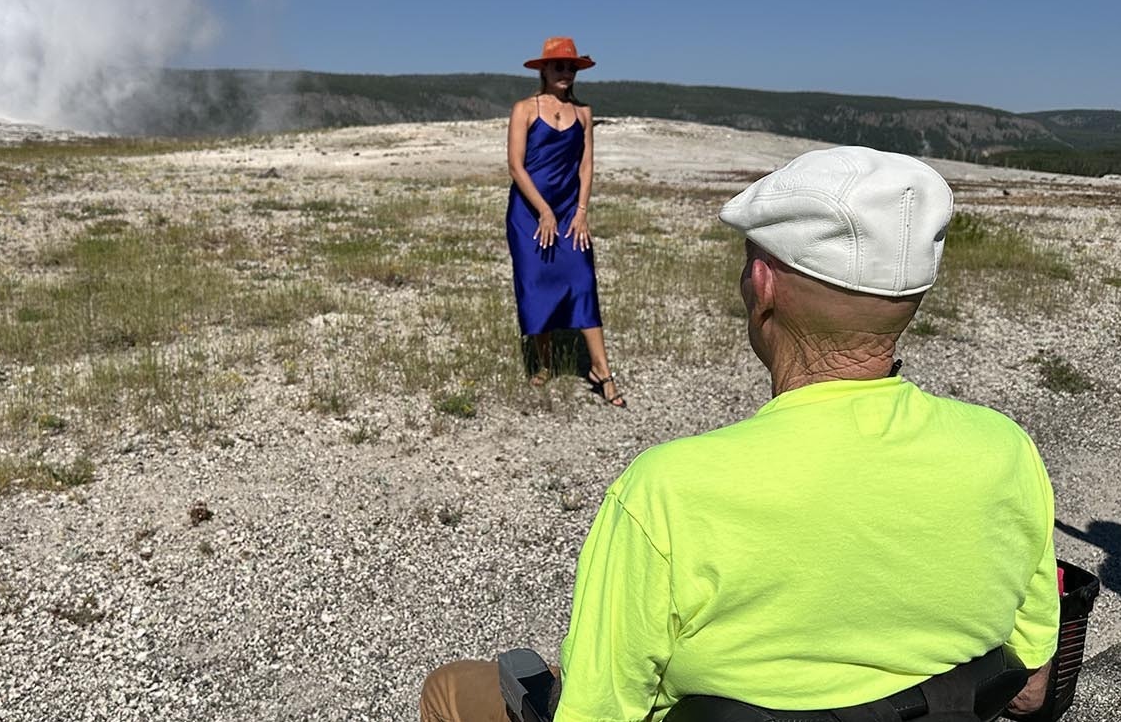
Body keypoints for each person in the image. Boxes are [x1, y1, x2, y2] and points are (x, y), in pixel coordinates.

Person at [422, 146, 1061, 721]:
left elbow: (596, 713)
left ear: (762, 288)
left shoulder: (667, 493)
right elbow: (1030, 689)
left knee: (450, 688)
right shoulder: (1006, 452)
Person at [506, 37, 624, 407]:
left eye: (570, 67)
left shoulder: (585, 112)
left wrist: (582, 211)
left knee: (582, 280)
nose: (565, 72)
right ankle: (544, 362)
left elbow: (586, 164)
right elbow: (515, 165)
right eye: (558, 66)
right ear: (543, 69)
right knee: (536, 282)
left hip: (570, 211)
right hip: (529, 211)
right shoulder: (524, 109)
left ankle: (602, 371)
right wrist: (543, 210)